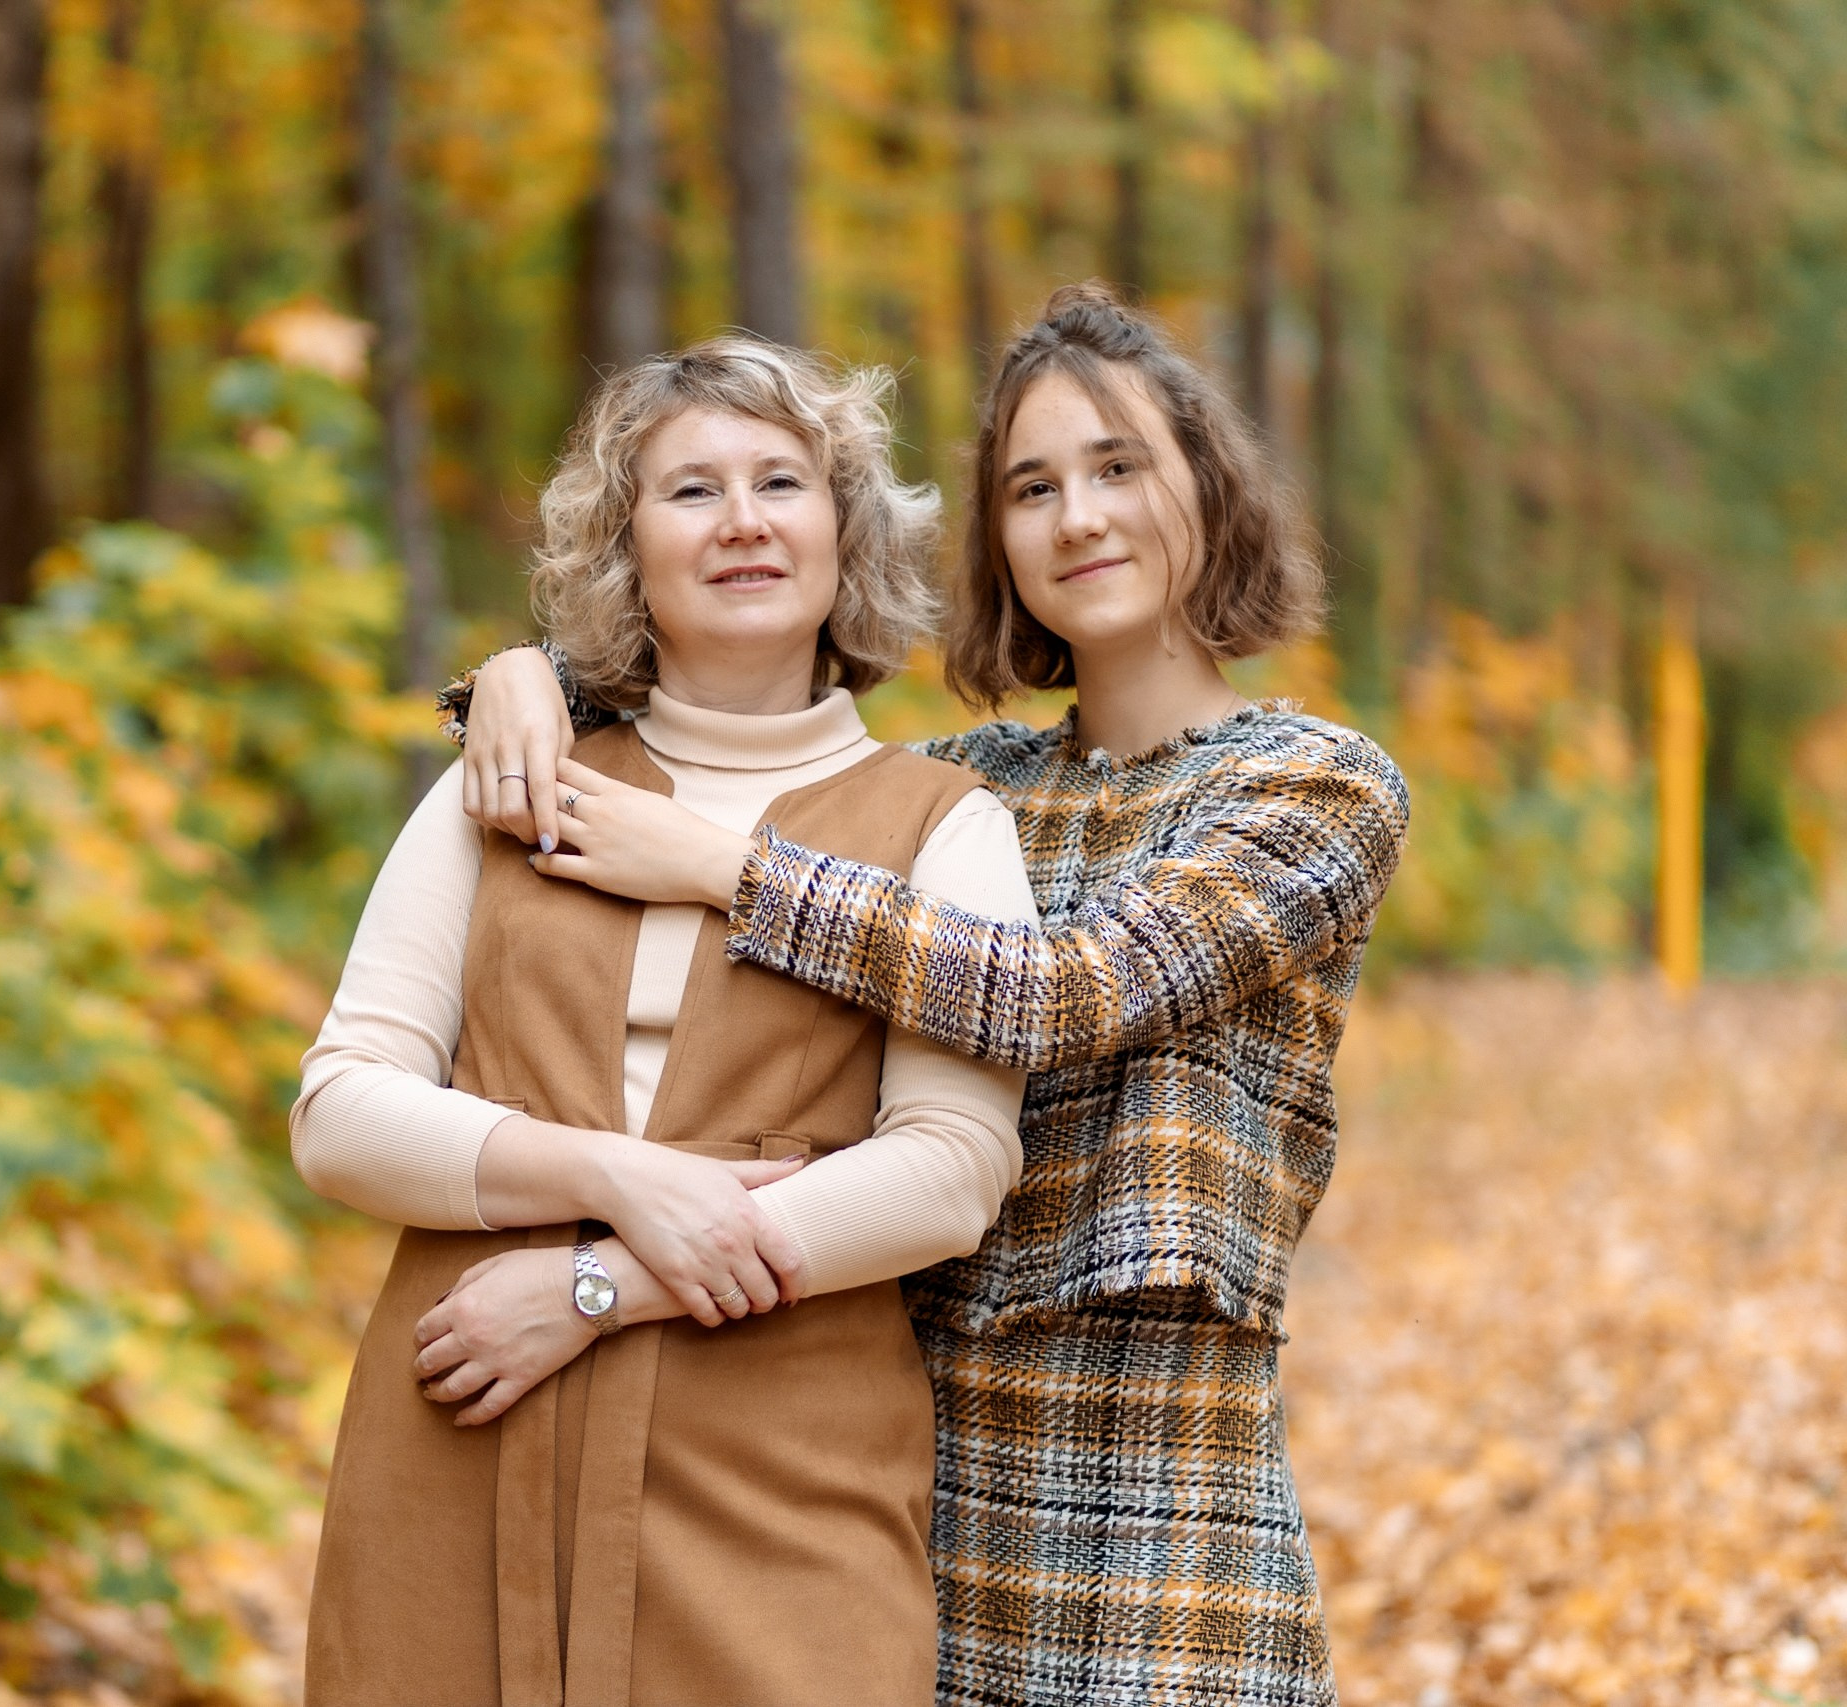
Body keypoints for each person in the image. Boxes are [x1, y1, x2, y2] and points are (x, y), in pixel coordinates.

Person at [445, 283, 1411, 1707]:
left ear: (1208, 488)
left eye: (1118, 467)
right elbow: (734, 715)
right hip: (892, 1480)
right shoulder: (973, 795)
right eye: (1033, 487)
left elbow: (1070, 991)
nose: (1077, 517)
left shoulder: (1317, 787)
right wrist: (521, 678)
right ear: (997, 540)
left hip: (1159, 1510)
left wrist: (727, 872)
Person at [292, 335, 1036, 1707]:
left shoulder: (944, 827)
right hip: (462, 1428)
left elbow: (951, 1168)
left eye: (782, 482)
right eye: (692, 491)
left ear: (843, 528)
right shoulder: (512, 782)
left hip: (779, 1481)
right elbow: (340, 1110)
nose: (744, 520)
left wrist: (596, 1287)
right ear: (627, 547)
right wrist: (616, 1178)